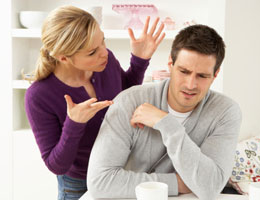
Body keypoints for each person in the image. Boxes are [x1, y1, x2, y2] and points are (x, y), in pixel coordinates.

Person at [24, 5, 165, 200]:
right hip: (78, 185)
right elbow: (56, 165)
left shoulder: (106, 64)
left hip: (121, 171)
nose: (104, 53)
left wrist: (139, 61)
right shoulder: (39, 95)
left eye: (103, 41)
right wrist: (74, 124)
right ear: (63, 57)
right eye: (92, 52)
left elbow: (124, 95)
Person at [87, 24, 242, 200]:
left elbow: (210, 187)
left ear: (215, 74)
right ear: (170, 63)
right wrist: (177, 183)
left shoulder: (225, 112)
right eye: (184, 71)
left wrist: (167, 125)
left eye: (202, 76)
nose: (190, 85)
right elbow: (99, 182)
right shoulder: (129, 101)